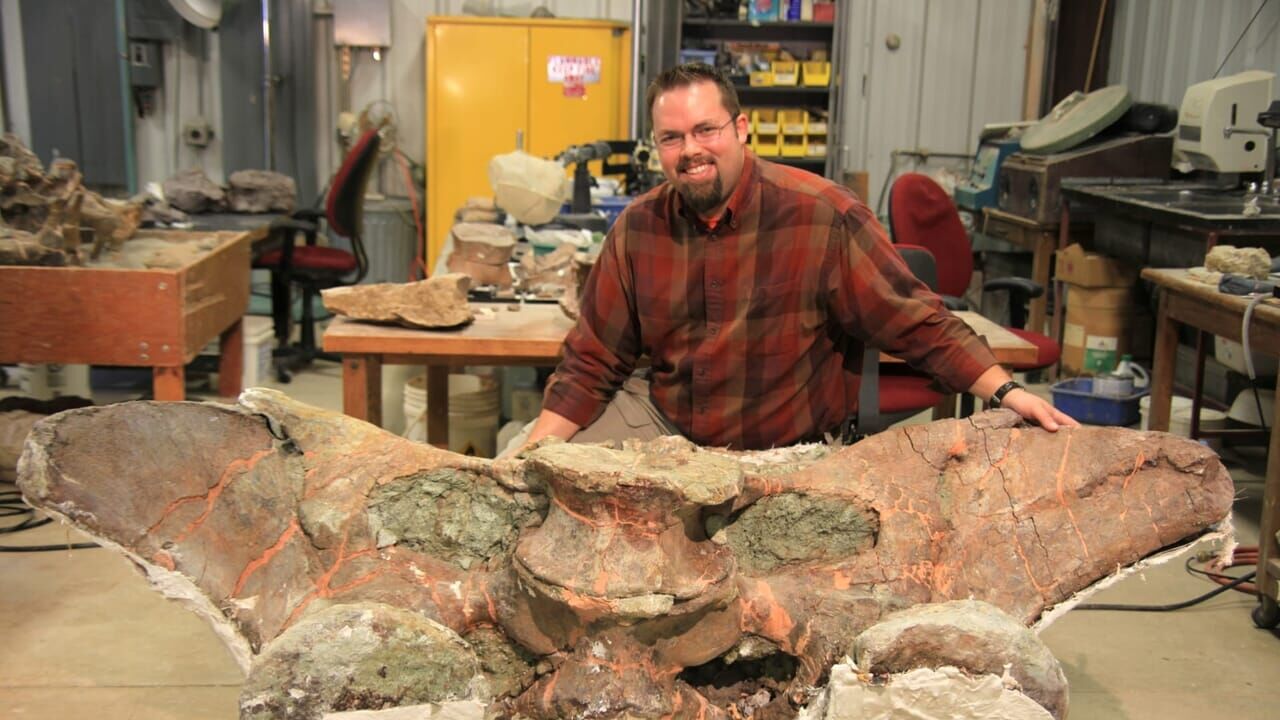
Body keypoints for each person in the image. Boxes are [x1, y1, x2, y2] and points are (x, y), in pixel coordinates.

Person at [517, 63, 1075, 452]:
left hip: (783, 447)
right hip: (669, 426)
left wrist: (1008, 393)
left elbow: (916, 320)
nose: (690, 151)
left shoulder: (822, 216)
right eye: (672, 137)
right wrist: (533, 454)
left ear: (741, 129)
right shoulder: (639, 227)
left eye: (706, 130)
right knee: (533, 473)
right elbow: (593, 359)